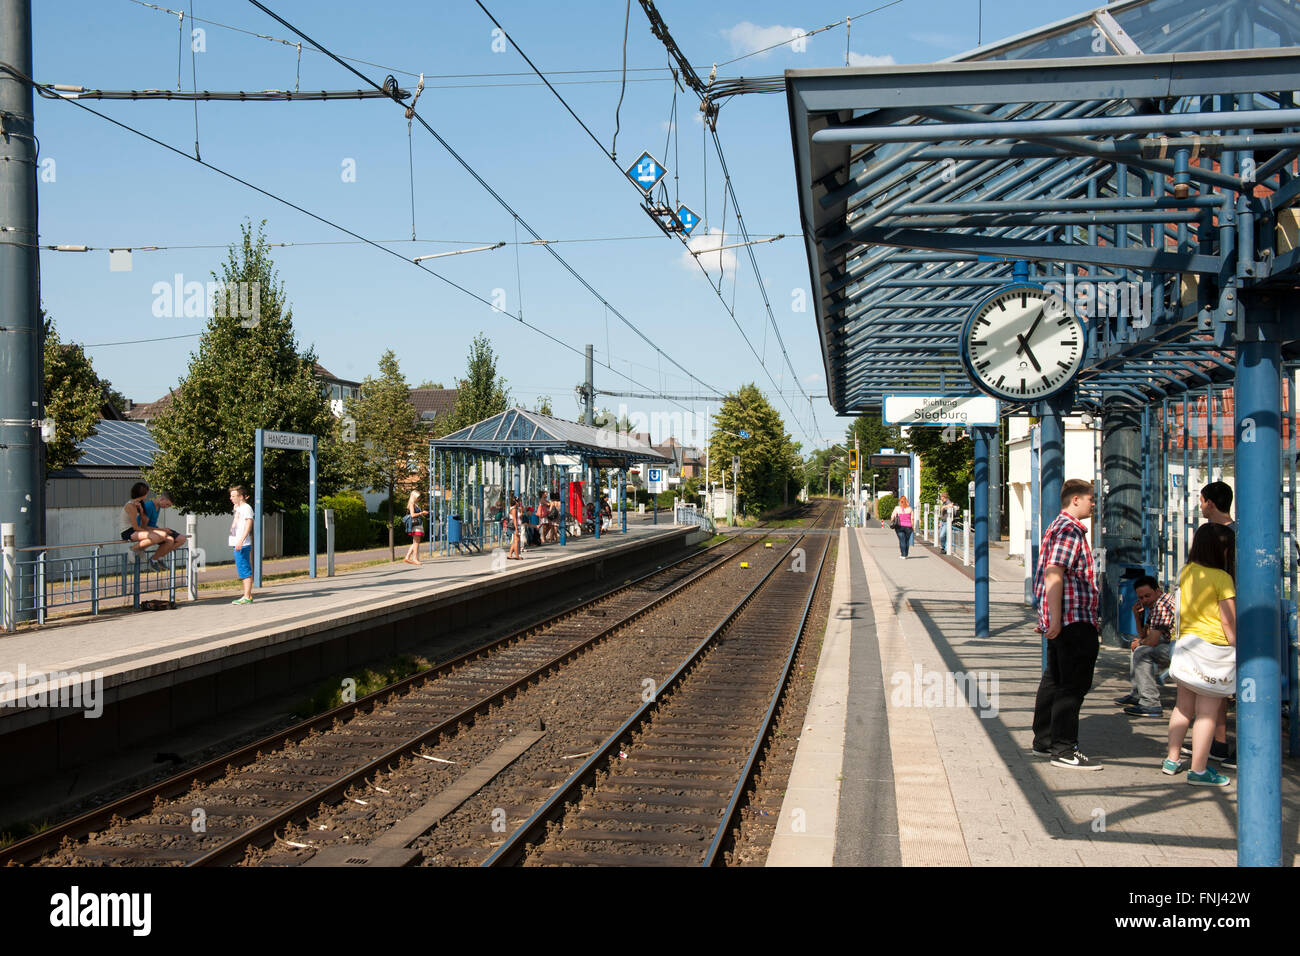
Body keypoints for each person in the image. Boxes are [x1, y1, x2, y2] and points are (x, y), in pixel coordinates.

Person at [1031, 478, 1102, 770]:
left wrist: (1047, 617)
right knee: (1073, 684)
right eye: (1090, 499)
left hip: (1063, 618)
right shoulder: (1069, 530)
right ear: (1075, 500)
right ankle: (1063, 749)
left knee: (1055, 679)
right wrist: (1057, 619)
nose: (1093, 504)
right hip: (1073, 619)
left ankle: (1045, 740)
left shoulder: (1055, 527)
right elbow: (1053, 574)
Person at [1164, 523, 1237, 786]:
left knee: (1182, 708)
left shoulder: (1187, 571)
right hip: (1213, 651)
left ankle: (1172, 760)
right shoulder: (1222, 579)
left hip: (1187, 646)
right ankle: (1199, 769)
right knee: (1206, 713)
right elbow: (1228, 622)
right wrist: (1238, 645)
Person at [1114, 575, 1176, 717]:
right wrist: (1137, 616)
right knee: (1138, 647)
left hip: (1179, 649)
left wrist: (1140, 643)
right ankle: (1137, 694)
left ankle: (1150, 702)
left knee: (1142, 652)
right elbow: (1144, 635)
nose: (1144, 600)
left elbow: (1152, 641)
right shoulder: (1156, 605)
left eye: (1147, 596)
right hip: (1172, 645)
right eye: (1141, 598)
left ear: (1158, 591)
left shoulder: (1162, 605)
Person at [120, 482, 182, 571]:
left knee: (163, 536)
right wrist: (150, 532)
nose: (147, 495)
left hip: (135, 530)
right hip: (128, 532)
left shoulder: (139, 504)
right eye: (147, 492)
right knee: (158, 536)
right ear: (143, 494)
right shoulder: (131, 506)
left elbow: (144, 521)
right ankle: (132, 550)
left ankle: (142, 550)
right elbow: (135, 527)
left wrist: (141, 511)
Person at [141, 489, 189, 563]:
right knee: (170, 540)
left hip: (154, 529)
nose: (167, 507)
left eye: (169, 506)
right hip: (146, 531)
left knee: (182, 539)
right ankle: (154, 560)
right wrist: (162, 530)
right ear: (161, 499)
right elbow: (142, 527)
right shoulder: (148, 506)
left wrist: (162, 530)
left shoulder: (158, 506)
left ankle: (160, 557)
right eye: (167, 504)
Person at [228, 484, 255, 605]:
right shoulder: (239, 508)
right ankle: (247, 595)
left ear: (241, 496)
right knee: (242, 569)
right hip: (237, 543)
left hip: (242, 544)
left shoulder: (247, 508)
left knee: (244, 570)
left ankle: (247, 596)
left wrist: (241, 540)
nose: (231, 498)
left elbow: (249, 524)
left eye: (233, 496)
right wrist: (236, 507)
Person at [402, 490, 428, 566]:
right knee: (416, 542)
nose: (419, 498)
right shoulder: (412, 503)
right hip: (415, 525)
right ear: (414, 496)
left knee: (415, 542)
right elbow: (412, 515)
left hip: (418, 524)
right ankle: (415, 559)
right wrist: (421, 513)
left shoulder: (415, 504)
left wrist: (421, 514)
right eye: (418, 497)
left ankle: (407, 557)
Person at [507, 494, 523, 561]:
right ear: (516, 502)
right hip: (515, 526)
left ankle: (510, 554)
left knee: (515, 541)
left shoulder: (513, 508)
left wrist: (522, 511)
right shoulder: (514, 509)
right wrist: (516, 529)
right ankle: (517, 556)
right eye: (518, 501)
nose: (519, 503)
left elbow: (517, 517)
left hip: (515, 526)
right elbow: (514, 519)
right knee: (516, 541)